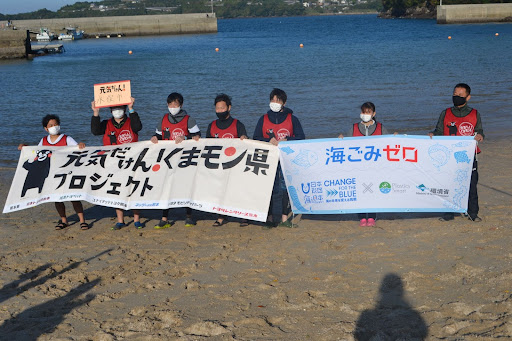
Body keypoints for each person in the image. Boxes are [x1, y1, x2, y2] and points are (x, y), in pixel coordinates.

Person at [18, 114, 90, 230]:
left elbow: (78, 149)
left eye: (56, 124)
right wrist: (25, 147)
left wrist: (80, 145)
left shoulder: (67, 138)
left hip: (67, 172)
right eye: (51, 125)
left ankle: (82, 221)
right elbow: (37, 153)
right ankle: (64, 221)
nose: (54, 127)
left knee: (74, 197)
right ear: (46, 129)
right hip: (52, 174)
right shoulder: (44, 140)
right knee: (57, 199)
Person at [429, 83, 484, 222]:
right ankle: (448, 213)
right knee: (448, 185)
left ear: (468, 97)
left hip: (468, 156)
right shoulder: (445, 113)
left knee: (471, 185)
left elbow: (480, 131)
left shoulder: (474, 113)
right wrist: (433, 135)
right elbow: (439, 131)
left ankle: (472, 213)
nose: (457, 97)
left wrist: (480, 136)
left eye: (460, 95)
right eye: (455, 94)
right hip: (449, 156)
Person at [253, 88, 305, 228]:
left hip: (286, 158)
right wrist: (267, 140)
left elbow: (301, 137)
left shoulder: (292, 119)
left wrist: (288, 139)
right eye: (272, 100)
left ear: (284, 102)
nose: (274, 102)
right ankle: (269, 218)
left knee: (284, 187)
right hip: (268, 159)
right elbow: (256, 138)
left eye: (278, 100)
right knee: (268, 188)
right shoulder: (263, 119)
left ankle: (283, 218)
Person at [91, 96, 143, 230]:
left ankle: (136, 219)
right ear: (110, 110)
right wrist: (96, 113)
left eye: (120, 108)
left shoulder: (131, 121)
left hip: (131, 161)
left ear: (124, 109)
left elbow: (138, 127)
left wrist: (132, 108)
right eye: (114, 108)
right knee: (117, 190)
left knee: (133, 190)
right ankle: (120, 220)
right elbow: (95, 131)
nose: (117, 111)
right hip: (113, 162)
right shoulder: (106, 123)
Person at [150, 92, 200, 229]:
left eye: (176, 104)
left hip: (185, 159)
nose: (173, 106)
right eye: (170, 104)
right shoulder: (163, 119)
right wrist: (154, 138)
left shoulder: (188, 119)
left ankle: (189, 217)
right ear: (167, 105)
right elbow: (158, 135)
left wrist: (186, 138)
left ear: (181, 105)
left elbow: (198, 136)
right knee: (166, 188)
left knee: (186, 187)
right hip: (168, 159)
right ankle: (164, 218)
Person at [339, 102, 391, 228]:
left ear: (374, 114)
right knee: (359, 190)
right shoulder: (354, 128)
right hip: (358, 167)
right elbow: (347, 146)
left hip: (375, 166)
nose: (365, 115)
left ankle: (372, 216)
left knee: (373, 190)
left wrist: (394, 137)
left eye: (368, 112)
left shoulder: (380, 128)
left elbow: (389, 143)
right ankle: (362, 216)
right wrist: (341, 139)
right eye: (363, 112)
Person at [206, 93, 249, 227]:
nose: (219, 111)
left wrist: (244, 138)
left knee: (238, 190)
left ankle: (243, 216)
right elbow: (207, 146)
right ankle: (221, 216)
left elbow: (246, 142)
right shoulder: (212, 126)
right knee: (220, 190)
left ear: (229, 108)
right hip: (219, 164)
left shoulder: (237, 124)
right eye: (217, 108)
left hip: (236, 163)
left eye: (222, 108)